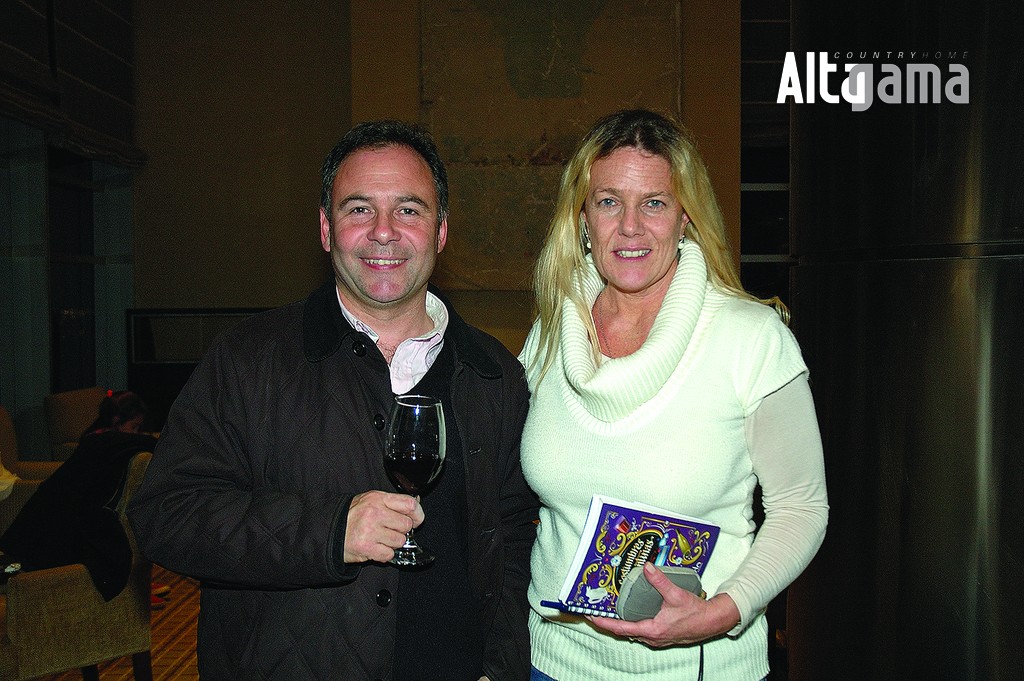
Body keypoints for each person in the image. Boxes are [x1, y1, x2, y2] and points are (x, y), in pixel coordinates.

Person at [127, 120, 539, 681]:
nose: (384, 232)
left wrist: (500, 666)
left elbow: (515, 537)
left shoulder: (494, 373)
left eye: (409, 210)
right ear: (326, 229)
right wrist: (329, 532)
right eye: (359, 209)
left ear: (441, 231)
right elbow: (166, 516)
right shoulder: (248, 361)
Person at [518, 109, 829, 680]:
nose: (630, 227)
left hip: (700, 667)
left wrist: (725, 611)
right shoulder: (550, 331)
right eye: (608, 201)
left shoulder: (751, 338)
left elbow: (801, 508)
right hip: (550, 663)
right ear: (582, 217)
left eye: (655, 203)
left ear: (686, 217)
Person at [0, 390, 157, 600]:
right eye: (134, 427)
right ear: (116, 421)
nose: (137, 433)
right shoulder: (103, 442)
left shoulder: (97, 439)